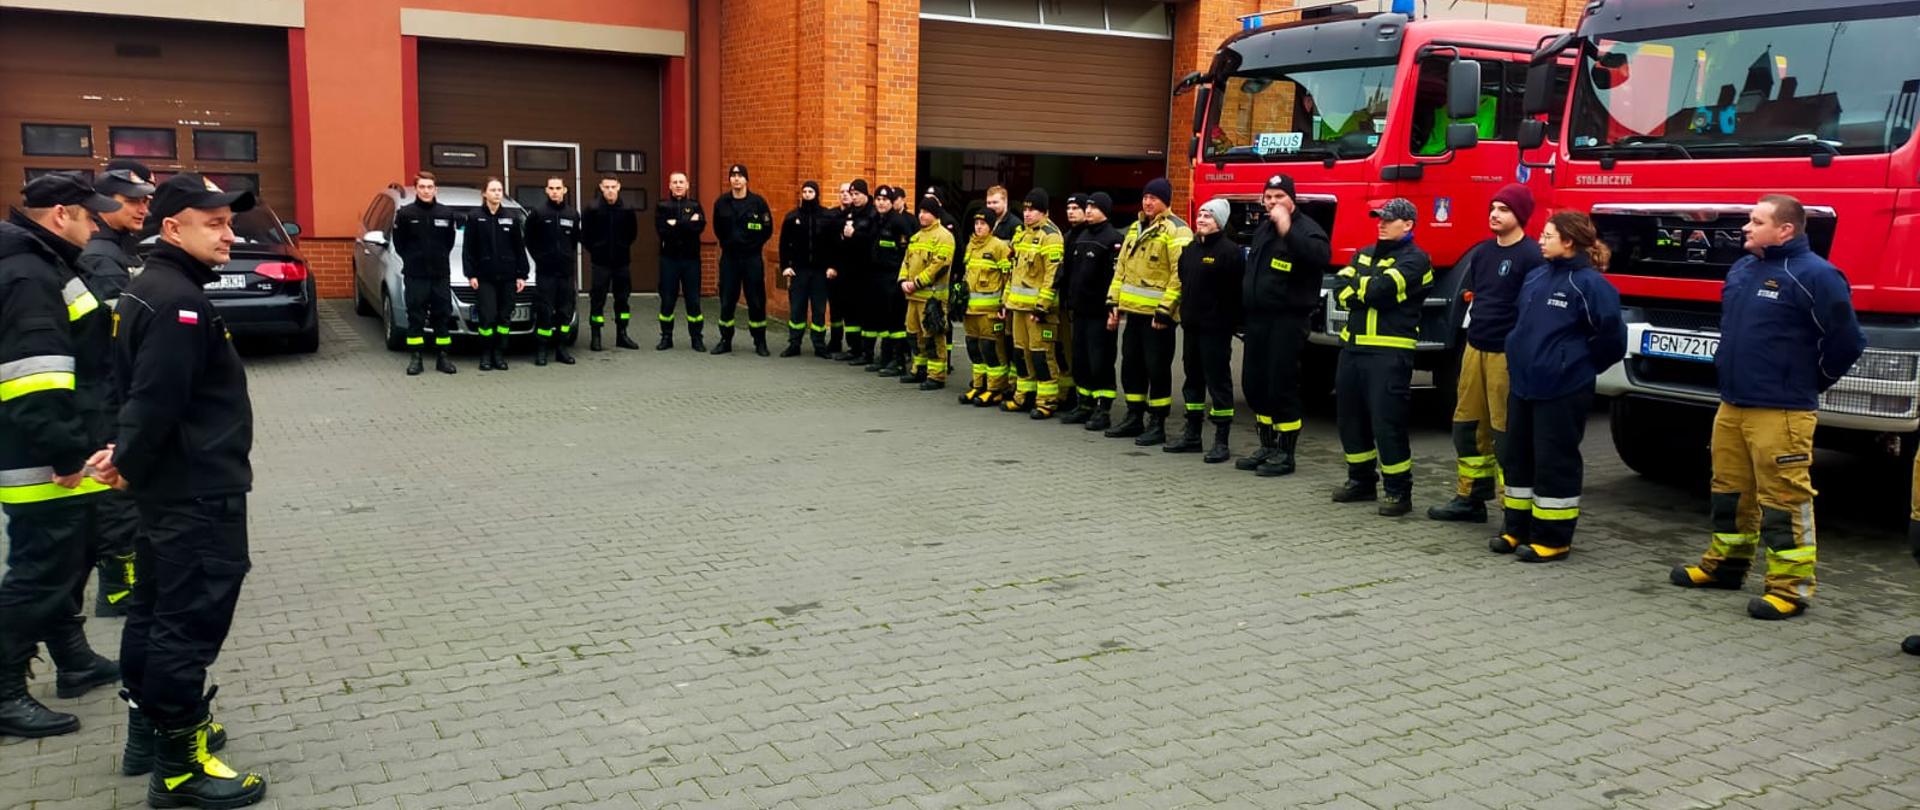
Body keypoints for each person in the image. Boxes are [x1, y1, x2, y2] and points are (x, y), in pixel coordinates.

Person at [92, 172, 267, 806]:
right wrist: (128, 458)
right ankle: (179, 767)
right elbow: (157, 397)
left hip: (172, 486)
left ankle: (151, 733)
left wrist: (125, 454)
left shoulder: (153, 289)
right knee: (187, 623)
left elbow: (136, 393)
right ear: (172, 228)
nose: (229, 235)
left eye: (229, 223)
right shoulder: (177, 303)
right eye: (214, 224)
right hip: (196, 491)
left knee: (155, 610)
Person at [1670, 194, 1865, 620]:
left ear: (1785, 230)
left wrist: (1809, 381)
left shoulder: (1817, 275)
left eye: (1757, 222)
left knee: (1784, 499)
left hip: (1781, 410)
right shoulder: (1743, 269)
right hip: (1733, 404)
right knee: (1729, 490)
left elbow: (1848, 342)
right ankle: (1726, 566)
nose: (1746, 227)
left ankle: (1789, 588)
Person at [0, 172, 122, 739]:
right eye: (89, 216)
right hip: (44, 457)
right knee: (39, 572)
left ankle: (72, 659)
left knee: (70, 559)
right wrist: (68, 453)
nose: (95, 226)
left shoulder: (45, 262)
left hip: (66, 445)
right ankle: (4, 692)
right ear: (60, 215)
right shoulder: (28, 274)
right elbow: (37, 378)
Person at [1492, 211, 1625, 561]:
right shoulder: (1536, 277)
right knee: (1517, 457)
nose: (1540, 240)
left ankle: (1553, 538)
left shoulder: (1591, 285)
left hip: (1563, 388)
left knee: (1555, 461)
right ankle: (1515, 529)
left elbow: (1612, 339)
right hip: (1524, 384)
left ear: (1568, 241)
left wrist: (1576, 365)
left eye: (1548, 235)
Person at [1430, 184, 1540, 522]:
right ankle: (1470, 497)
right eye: (1493, 208)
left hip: (1506, 355)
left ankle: (1514, 509)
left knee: (1505, 432)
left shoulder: (1531, 256)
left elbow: (1532, 311)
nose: (1494, 214)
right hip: (1475, 348)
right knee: (1467, 424)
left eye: (1503, 209)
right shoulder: (1482, 253)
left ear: (1520, 215)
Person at [78, 159, 154, 617]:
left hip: (115, 391)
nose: (143, 208)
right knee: (116, 491)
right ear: (103, 204)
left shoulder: (121, 251)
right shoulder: (102, 259)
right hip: (107, 395)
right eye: (132, 201)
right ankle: (118, 589)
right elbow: (116, 337)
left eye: (146, 200)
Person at [1331, 198, 1432, 516]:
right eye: (1380, 218)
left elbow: (1380, 291)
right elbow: (1339, 289)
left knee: (1387, 424)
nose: (1381, 223)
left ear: (1408, 224)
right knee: (1350, 419)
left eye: (1389, 219)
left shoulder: (1417, 260)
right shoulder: (1364, 253)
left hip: (1389, 353)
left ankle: (1398, 491)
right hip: (1353, 349)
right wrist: (1367, 288)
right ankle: (1361, 481)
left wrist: (1362, 288)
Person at [1237, 174, 1331, 476]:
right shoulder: (1264, 229)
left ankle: (1285, 453)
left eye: (1279, 197)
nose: (1272, 202)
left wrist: (1287, 229)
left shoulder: (1307, 229)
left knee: (1281, 385)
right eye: (1268, 197)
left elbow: (1319, 257)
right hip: (1258, 320)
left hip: (1287, 321)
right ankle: (1266, 446)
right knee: (1255, 384)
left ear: (1292, 199)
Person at [1105, 178, 1190, 445]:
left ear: (1166, 200)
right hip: (1133, 313)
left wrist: (1165, 310)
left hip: (1158, 319)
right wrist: (1113, 302)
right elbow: (1121, 268)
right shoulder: (1135, 227)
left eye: (1153, 198)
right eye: (1145, 197)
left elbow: (1179, 275)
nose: (1148, 202)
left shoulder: (1177, 230)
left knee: (1157, 369)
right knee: (1131, 367)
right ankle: (1134, 416)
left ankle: (1157, 423)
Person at [1166, 198, 1244, 462]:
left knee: (1218, 383)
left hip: (1216, 330)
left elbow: (1235, 294)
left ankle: (1221, 441)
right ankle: (1192, 435)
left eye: (1208, 216)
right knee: (1193, 381)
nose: (1201, 220)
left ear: (1219, 222)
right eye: (1200, 215)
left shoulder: (1229, 252)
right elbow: (1183, 281)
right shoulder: (1190, 250)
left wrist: (1226, 322)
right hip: (1191, 327)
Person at [1061, 192, 1124, 431]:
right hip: (1080, 311)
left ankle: (1103, 409)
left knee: (1101, 361)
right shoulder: (1081, 237)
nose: (1088, 211)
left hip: (1100, 313)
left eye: (1093, 207)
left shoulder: (1113, 239)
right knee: (1081, 360)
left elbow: (1116, 277)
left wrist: (1113, 309)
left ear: (1104, 211)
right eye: (1087, 207)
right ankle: (1084, 404)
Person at [1003, 189, 1067, 418]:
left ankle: (1047, 401)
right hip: (1018, 308)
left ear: (1044, 212)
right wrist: (1005, 302)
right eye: (1026, 209)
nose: (1027, 214)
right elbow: (1014, 272)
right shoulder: (1022, 235)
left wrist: (1042, 307)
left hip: (1039, 312)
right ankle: (1024, 396)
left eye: (1033, 210)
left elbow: (1053, 275)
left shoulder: (1051, 236)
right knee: (1021, 354)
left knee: (1042, 356)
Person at [392, 172, 459, 375]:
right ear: (416, 189)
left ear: (435, 189)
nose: (426, 191)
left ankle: (443, 357)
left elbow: (449, 242)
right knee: (416, 317)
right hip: (416, 275)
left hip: (440, 275)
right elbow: (399, 243)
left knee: (442, 316)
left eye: (430, 187)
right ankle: (416, 358)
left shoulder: (446, 213)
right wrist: (413, 260)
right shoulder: (405, 214)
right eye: (422, 187)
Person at [462, 178, 528, 371]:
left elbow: (519, 248)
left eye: (499, 190)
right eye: (493, 190)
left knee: (504, 317)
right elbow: (468, 249)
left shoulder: (511, 217)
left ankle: (499, 354)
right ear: (484, 193)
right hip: (485, 277)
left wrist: (521, 275)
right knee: (487, 317)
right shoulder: (475, 217)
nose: (497, 193)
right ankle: (486, 354)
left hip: (508, 277)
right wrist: (471, 274)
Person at [710, 164, 774, 357]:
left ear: (746, 179)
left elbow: (767, 229)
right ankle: (725, 340)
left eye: (740, 175)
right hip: (730, 258)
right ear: (729, 179)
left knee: (756, 300)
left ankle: (760, 341)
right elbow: (717, 228)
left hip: (751, 258)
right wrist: (729, 243)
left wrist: (752, 245)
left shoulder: (758, 203)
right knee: (727, 300)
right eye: (733, 175)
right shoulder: (721, 203)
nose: (736, 179)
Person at [898, 191, 955, 390]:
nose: (922, 215)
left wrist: (916, 283)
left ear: (935, 214)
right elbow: (906, 261)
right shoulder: (916, 237)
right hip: (913, 297)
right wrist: (903, 280)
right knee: (914, 335)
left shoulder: (944, 237)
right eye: (920, 211)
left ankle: (936, 375)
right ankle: (919, 369)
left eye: (926, 212)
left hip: (932, 298)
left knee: (933, 337)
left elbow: (939, 266)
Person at [958, 207, 1013, 406]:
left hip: (990, 312)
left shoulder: (999, 247)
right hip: (970, 311)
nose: (979, 227)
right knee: (974, 348)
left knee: (991, 350)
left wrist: (1004, 303)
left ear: (991, 226)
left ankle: (995, 389)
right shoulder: (971, 246)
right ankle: (979, 385)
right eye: (977, 223)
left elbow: (1008, 277)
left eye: (983, 224)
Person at [523, 176, 579, 367]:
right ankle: (542, 351)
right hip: (545, 273)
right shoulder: (538, 213)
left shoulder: (572, 214)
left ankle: (562, 349)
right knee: (545, 313)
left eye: (558, 188)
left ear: (564, 190)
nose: (555, 191)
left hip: (565, 273)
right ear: (546, 190)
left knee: (565, 313)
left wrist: (566, 257)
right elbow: (529, 239)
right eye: (552, 188)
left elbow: (574, 241)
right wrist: (540, 258)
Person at [584, 175, 643, 351]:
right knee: (597, 300)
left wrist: (622, 247)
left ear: (619, 187)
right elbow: (585, 235)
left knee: (623, 300)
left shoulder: (627, 209)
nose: (610, 190)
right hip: (600, 263)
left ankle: (622, 335)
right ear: (601, 188)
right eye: (606, 186)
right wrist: (596, 250)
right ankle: (596, 336)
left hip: (621, 263)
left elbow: (632, 234)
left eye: (613, 186)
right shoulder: (592, 209)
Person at [650, 172, 705, 351]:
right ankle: (666, 337)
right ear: (670, 186)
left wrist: (676, 224)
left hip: (691, 261)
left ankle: (696, 338)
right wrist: (688, 223)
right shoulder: (662, 206)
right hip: (669, 260)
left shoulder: (695, 206)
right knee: (667, 300)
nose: (678, 185)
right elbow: (663, 231)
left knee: (693, 301)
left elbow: (699, 228)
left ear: (687, 185)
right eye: (675, 182)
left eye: (681, 182)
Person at [779, 181, 834, 357]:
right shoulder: (792, 217)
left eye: (811, 191)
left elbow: (833, 244)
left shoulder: (826, 216)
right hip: (799, 270)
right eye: (805, 191)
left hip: (820, 271)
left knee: (819, 310)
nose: (807, 194)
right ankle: (794, 344)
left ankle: (819, 345)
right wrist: (785, 266)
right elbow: (784, 244)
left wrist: (832, 266)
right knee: (797, 309)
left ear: (817, 194)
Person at [868, 186, 914, 376]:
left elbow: (906, 251)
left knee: (896, 320)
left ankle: (899, 360)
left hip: (894, 276)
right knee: (884, 319)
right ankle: (886, 357)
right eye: (878, 199)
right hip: (879, 275)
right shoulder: (876, 219)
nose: (881, 203)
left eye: (885, 200)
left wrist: (902, 276)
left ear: (892, 202)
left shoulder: (898, 222)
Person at [834, 179, 879, 365]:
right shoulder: (850, 213)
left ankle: (867, 352)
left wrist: (855, 234)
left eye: (857, 194)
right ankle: (854, 348)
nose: (854, 198)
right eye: (852, 194)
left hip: (866, 271)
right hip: (849, 270)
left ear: (865, 194)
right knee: (850, 310)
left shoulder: (873, 214)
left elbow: (873, 240)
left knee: (866, 312)